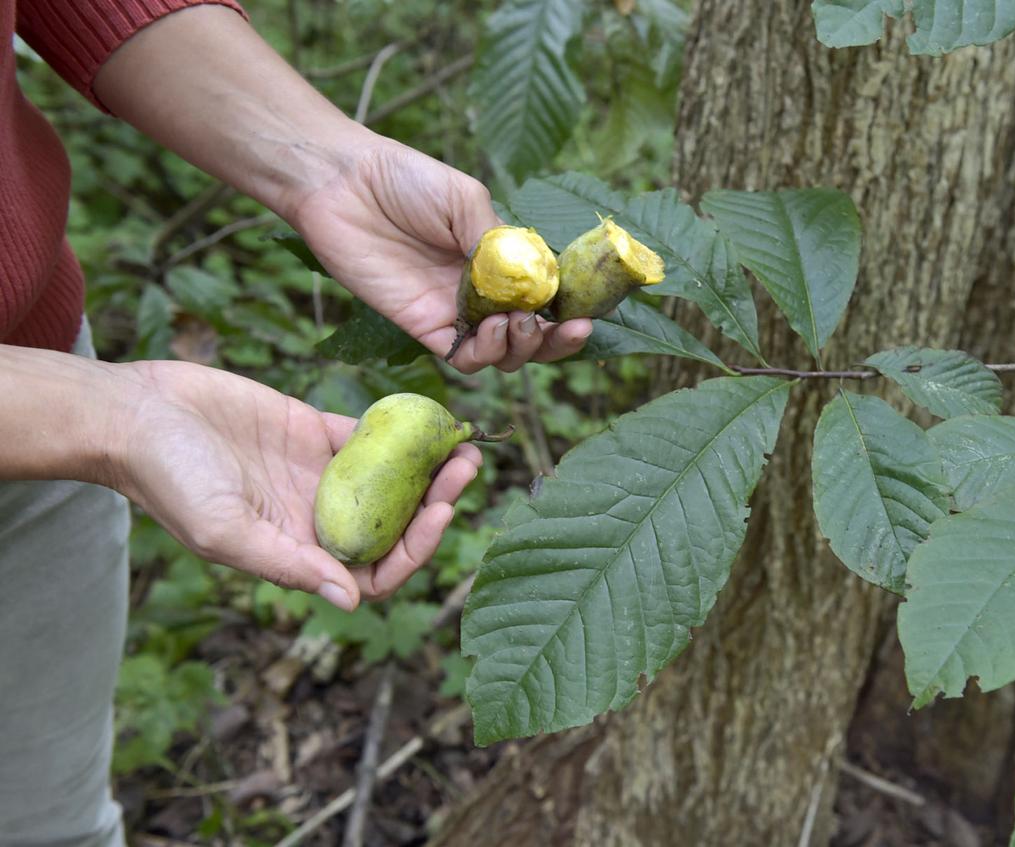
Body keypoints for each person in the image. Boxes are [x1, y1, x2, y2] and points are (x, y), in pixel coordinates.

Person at [0, 1, 593, 843]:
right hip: (65, 405)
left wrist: (330, 168)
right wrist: (102, 413)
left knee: (54, 827)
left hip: (45, 407)